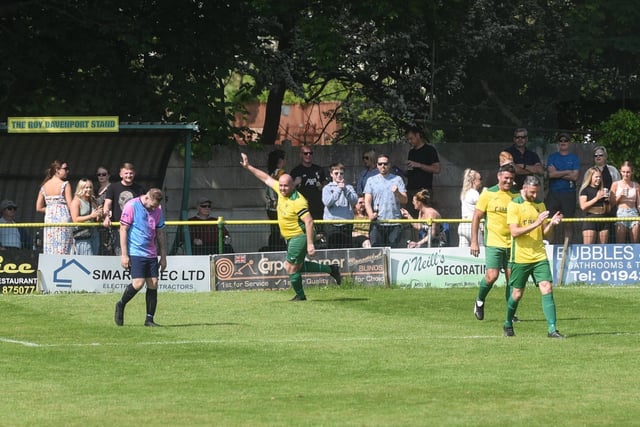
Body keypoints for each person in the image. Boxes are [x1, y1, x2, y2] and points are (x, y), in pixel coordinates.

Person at [240, 153, 341, 301]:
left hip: (299, 235)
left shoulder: (298, 201)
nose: (282, 188)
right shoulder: (281, 192)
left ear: (293, 184)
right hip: (291, 236)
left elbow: (309, 221)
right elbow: (266, 178)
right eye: (280, 185)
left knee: (290, 267)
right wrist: (248, 166)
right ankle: (331, 269)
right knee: (296, 266)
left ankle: (300, 296)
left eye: (285, 185)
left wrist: (310, 244)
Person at [504, 175, 564, 338]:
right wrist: (537, 223)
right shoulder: (514, 205)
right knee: (517, 294)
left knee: (547, 287)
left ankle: (552, 329)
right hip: (521, 257)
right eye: (532, 192)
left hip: (539, 256)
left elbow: (544, 234)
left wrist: (552, 223)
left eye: (537, 192)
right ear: (524, 188)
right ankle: (508, 323)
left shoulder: (540, 205)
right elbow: (514, 232)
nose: (535, 196)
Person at [470, 164, 519, 321]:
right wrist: (474, 241)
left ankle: (511, 314)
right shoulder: (488, 194)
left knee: (512, 279)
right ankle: (479, 300)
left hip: (512, 243)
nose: (509, 181)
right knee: (492, 276)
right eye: (506, 178)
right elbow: (476, 217)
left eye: (511, 178)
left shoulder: (516, 196)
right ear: (499, 177)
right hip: (493, 242)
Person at [114, 188, 167, 327]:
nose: (153, 208)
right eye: (152, 205)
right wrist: (124, 255)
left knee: (153, 283)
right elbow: (123, 229)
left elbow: (160, 233)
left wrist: (163, 256)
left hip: (151, 252)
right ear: (147, 197)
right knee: (138, 283)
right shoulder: (131, 206)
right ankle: (121, 304)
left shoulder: (158, 210)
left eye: (156, 206)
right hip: (136, 251)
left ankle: (149, 319)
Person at [364, 154, 408, 248]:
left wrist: (397, 193)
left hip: (394, 222)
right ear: (377, 165)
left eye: (385, 163)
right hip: (377, 222)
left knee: (393, 252)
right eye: (380, 164)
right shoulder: (371, 180)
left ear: (389, 165)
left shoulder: (397, 179)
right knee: (377, 253)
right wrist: (370, 215)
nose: (383, 166)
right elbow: (367, 201)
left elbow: (405, 200)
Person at [102, 162, 145, 255]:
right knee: (120, 254)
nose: (128, 175)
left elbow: (143, 207)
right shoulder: (113, 187)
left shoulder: (139, 189)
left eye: (131, 173)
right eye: (126, 173)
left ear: (134, 174)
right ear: (121, 174)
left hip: (135, 228)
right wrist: (106, 217)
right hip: (118, 228)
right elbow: (107, 204)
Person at [545, 133, 580, 244]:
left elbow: (575, 177)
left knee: (568, 223)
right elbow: (551, 175)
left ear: (569, 143)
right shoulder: (552, 157)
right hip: (553, 193)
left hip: (569, 193)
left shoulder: (574, 158)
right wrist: (568, 171)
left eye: (565, 140)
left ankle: (567, 248)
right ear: (558, 143)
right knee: (551, 221)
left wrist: (557, 172)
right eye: (561, 140)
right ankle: (550, 248)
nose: (563, 142)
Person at [35, 160, 73, 254]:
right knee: (63, 248)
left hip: (49, 220)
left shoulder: (44, 186)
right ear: (57, 170)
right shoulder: (65, 184)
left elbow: (38, 208)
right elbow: (70, 206)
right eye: (65, 169)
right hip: (63, 219)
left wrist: (51, 209)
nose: (67, 171)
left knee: (50, 247)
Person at [322, 162, 358, 249]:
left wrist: (345, 190)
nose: (339, 175)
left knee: (347, 250)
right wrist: (338, 189)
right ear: (331, 174)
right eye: (336, 173)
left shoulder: (349, 187)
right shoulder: (327, 188)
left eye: (341, 173)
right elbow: (327, 202)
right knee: (332, 251)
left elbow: (354, 201)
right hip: (331, 224)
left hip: (346, 224)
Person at [406, 125, 440, 215]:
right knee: (412, 217)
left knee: (426, 216)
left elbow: (437, 169)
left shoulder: (430, 150)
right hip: (411, 190)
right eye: (408, 139)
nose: (410, 141)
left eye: (411, 138)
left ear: (417, 135)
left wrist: (419, 165)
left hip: (424, 190)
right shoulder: (411, 152)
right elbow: (412, 170)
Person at [290, 146, 327, 225]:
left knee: (319, 231)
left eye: (310, 153)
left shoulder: (319, 169)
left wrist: (322, 186)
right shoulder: (296, 171)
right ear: (301, 155)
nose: (308, 155)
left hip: (317, 206)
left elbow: (325, 184)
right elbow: (289, 189)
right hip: (302, 207)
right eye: (305, 153)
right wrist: (295, 183)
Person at [69, 179, 103, 255]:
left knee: (94, 259)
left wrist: (99, 214)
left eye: (90, 187)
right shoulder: (76, 201)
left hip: (94, 234)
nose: (89, 190)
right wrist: (91, 216)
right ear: (80, 188)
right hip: (83, 236)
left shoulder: (93, 201)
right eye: (86, 187)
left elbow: (97, 220)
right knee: (87, 259)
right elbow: (75, 220)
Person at [610, 161, 640, 244]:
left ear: (632, 172)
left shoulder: (636, 185)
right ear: (620, 171)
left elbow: (638, 204)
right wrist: (620, 196)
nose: (625, 174)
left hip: (633, 213)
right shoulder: (615, 184)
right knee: (620, 242)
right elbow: (611, 203)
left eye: (628, 172)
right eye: (623, 172)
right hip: (621, 213)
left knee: (635, 242)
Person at [578, 167, 610, 244]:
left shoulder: (602, 190)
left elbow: (608, 210)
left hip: (603, 219)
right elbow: (583, 206)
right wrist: (596, 198)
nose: (598, 179)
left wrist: (608, 201)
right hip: (590, 220)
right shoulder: (585, 190)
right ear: (590, 177)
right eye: (596, 177)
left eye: (600, 177)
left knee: (603, 248)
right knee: (588, 248)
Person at [265, 149, 287, 251]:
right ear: (280, 161)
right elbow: (287, 187)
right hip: (279, 207)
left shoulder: (270, 173)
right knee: (281, 231)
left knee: (274, 230)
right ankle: (280, 250)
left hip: (270, 207)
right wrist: (296, 182)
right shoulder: (280, 173)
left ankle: (272, 249)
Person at [458, 169, 484, 248]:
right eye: (480, 179)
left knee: (463, 252)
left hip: (463, 225)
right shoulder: (474, 193)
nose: (481, 181)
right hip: (472, 225)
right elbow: (481, 207)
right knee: (481, 250)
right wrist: (485, 194)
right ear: (474, 181)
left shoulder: (465, 192)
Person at [95, 166, 113, 255]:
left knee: (109, 247)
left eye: (104, 174)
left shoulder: (112, 188)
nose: (101, 176)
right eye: (99, 174)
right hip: (98, 224)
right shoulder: (95, 189)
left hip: (109, 222)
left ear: (108, 176)